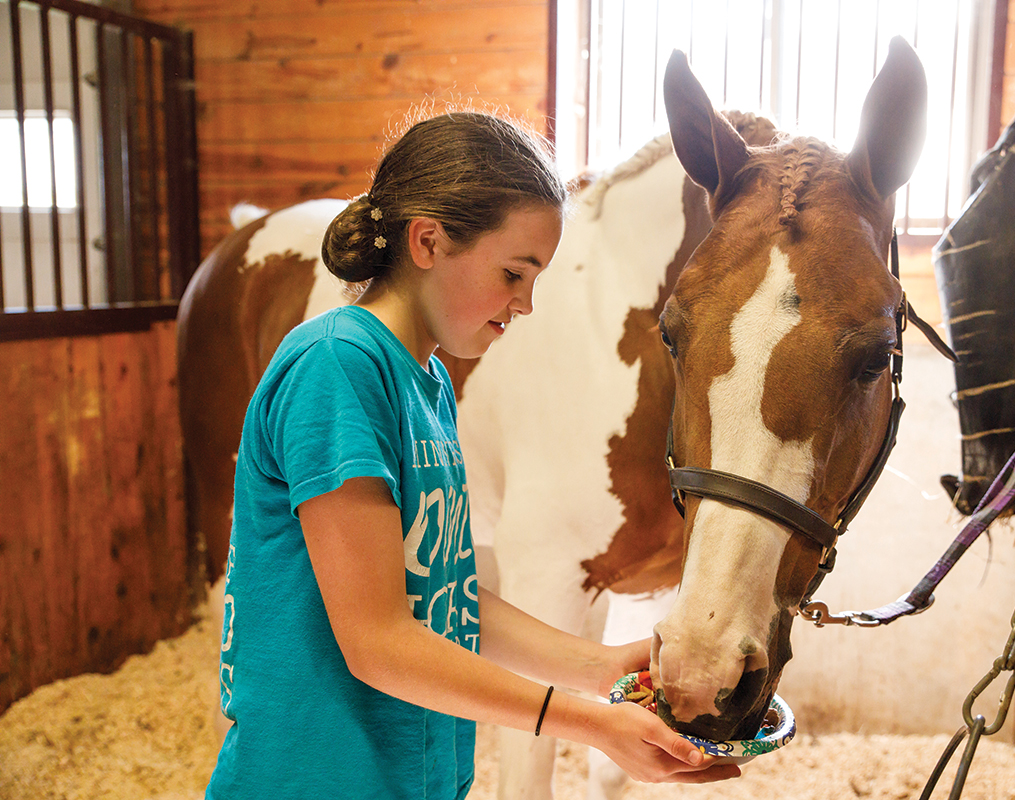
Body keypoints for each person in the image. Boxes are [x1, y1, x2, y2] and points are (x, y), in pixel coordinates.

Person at [205, 111, 739, 799]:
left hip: (413, 773)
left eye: (537, 277)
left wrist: (601, 668)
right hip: (317, 777)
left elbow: (443, 600)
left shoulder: (424, 381)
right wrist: (590, 725)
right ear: (428, 240)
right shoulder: (336, 366)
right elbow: (378, 639)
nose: (526, 304)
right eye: (514, 272)